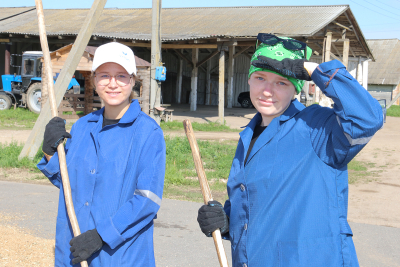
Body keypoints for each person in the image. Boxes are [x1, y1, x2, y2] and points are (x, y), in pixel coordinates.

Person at [197, 34, 383, 267]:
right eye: (260, 78)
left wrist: (314, 70)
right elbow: (262, 207)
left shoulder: (318, 128)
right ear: (249, 81)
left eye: (281, 82)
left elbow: (367, 118)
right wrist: (227, 222)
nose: (267, 90)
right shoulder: (249, 135)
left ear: (296, 88)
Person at [37, 42, 166, 266]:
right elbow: (69, 185)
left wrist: (101, 235)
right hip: (75, 249)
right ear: (95, 80)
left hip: (120, 255)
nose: (112, 84)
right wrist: (49, 151)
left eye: (121, 76)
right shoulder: (82, 127)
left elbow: (147, 200)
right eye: (105, 75)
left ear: (133, 80)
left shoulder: (148, 133)